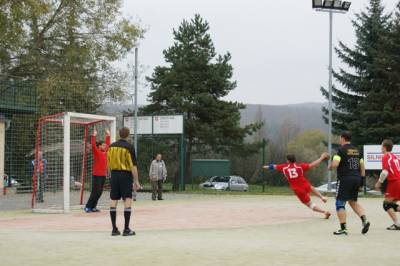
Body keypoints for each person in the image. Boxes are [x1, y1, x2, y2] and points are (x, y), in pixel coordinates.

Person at [264, 153, 331, 219]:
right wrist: (321, 158)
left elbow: (273, 166)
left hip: (297, 189)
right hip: (304, 184)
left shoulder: (284, 167)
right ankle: (322, 197)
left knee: (310, 204)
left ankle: (324, 212)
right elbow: (312, 165)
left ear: (288, 161)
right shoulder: (300, 166)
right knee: (311, 187)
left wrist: (265, 167)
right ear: (295, 160)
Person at [329, 131, 370, 235]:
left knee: (339, 203)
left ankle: (343, 229)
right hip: (356, 178)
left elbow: (335, 165)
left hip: (345, 179)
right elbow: (362, 168)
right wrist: (361, 182)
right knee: (353, 202)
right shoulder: (357, 150)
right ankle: (364, 221)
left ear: (342, 138)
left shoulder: (340, 150)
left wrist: (330, 165)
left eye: (340, 138)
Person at [107, 127, 141, 236]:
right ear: (128, 135)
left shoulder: (111, 146)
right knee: (127, 199)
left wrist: (110, 175)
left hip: (114, 174)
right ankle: (126, 229)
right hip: (125, 175)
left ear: (119, 134)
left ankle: (114, 229)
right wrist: (136, 181)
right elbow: (133, 166)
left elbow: (108, 163)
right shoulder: (129, 147)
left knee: (113, 200)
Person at [374, 139, 400, 230]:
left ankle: (397, 224)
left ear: (384, 147)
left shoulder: (385, 156)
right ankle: (396, 224)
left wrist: (379, 182)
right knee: (392, 205)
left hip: (394, 183)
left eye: (381, 146)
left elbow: (385, 172)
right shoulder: (395, 157)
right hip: (398, 181)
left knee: (387, 205)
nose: (381, 148)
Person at [84, 128, 110, 213]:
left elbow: (108, 144)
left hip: (103, 175)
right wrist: (94, 135)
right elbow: (93, 145)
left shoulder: (105, 152)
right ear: (99, 146)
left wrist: (108, 135)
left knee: (99, 192)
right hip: (96, 175)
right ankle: (88, 207)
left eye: (105, 145)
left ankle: (94, 207)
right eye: (103, 145)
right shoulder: (97, 151)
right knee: (95, 192)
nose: (105, 146)